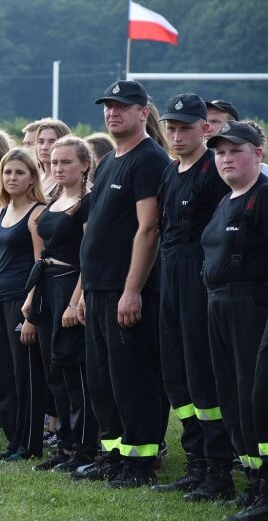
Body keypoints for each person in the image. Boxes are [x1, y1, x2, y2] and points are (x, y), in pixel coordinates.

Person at [75, 80, 170, 487]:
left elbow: (149, 229)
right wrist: (83, 291)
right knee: (102, 379)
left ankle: (140, 462)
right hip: (98, 289)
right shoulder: (111, 159)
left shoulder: (149, 159)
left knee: (133, 378)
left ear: (143, 113)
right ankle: (113, 455)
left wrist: (132, 290)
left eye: (122, 107)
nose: (113, 113)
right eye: (108, 107)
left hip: (125, 290)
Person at [151, 94, 234, 501]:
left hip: (198, 276)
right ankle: (196, 461)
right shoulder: (170, 171)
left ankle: (219, 470)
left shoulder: (213, 170)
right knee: (175, 373)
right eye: (171, 127)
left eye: (185, 127)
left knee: (203, 375)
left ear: (205, 129)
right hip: (168, 273)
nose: (177, 135)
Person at [202, 121, 268, 521]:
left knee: (255, 397)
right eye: (220, 152)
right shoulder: (226, 200)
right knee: (231, 396)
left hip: (251, 306)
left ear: (257, 154)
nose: (226, 158)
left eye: (235, 150)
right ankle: (253, 480)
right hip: (218, 305)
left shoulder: (263, 197)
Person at [31, 137, 99, 473]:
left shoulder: (87, 202)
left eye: (67, 162)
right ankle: (65, 443)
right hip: (47, 286)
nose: (58, 168)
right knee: (54, 371)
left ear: (85, 165)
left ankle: (85, 448)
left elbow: (90, 254)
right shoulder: (55, 197)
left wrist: (76, 301)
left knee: (76, 372)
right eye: (55, 162)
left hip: (72, 287)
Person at [0, 148, 46, 462]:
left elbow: (40, 264)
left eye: (20, 172)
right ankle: (12, 441)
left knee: (25, 376)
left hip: (21, 303)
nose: (12, 178)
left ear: (32, 176)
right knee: (4, 376)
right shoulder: (2, 211)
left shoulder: (37, 213)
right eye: (7, 172)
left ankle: (30, 445)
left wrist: (32, 310)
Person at [35, 120, 72, 199]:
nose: (44, 147)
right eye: (41, 142)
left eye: (52, 142)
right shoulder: (33, 180)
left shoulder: (69, 181)